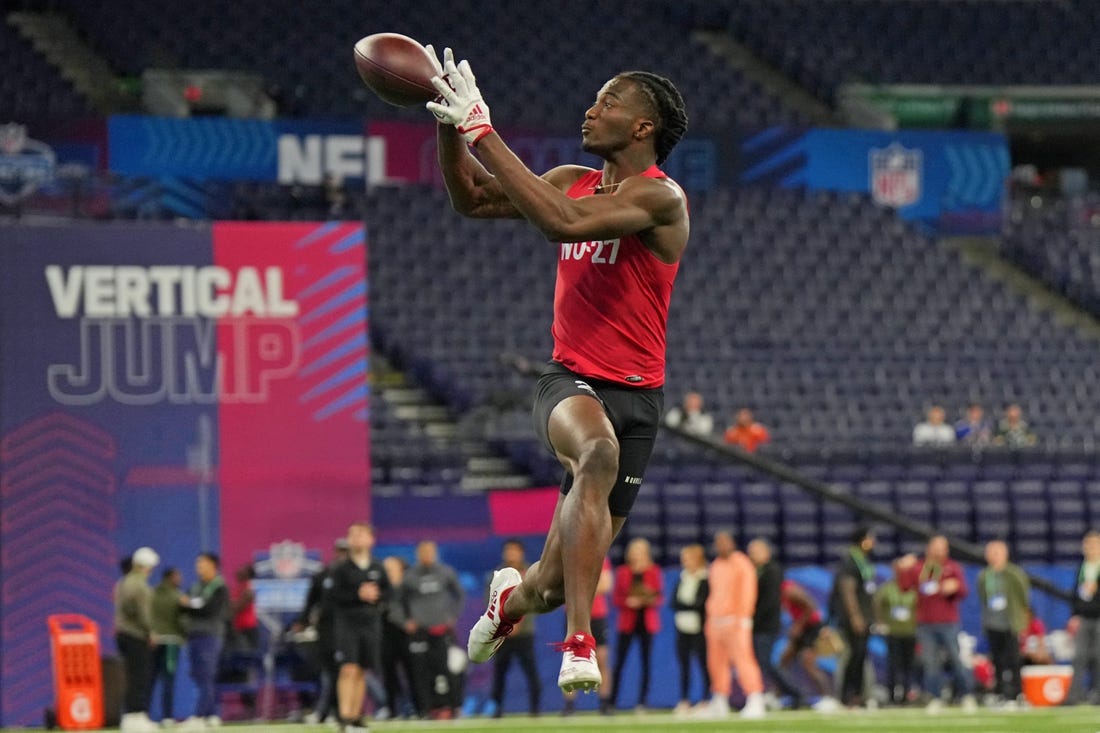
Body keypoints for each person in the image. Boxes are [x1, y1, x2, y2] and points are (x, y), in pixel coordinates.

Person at [426, 46, 690, 695]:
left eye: (608, 102)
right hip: (568, 382)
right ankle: (579, 639)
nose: (590, 110)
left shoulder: (660, 197)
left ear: (642, 128)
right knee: (595, 451)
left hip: (640, 399)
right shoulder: (573, 176)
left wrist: (481, 128)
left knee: (546, 582)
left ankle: (508, 602)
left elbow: (562, 222)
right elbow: (471, 200)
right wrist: (448, 126)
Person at [897, 536, 977, 712]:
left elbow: (964, 591)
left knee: (956, 660)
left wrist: (955, 586)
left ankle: (967, 695)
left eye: (942, 548)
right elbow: (903, 587)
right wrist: (901, 569)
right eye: (936, 547)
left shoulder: (952, 567)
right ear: (928, 548)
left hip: (949, 623)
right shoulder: (919, 567)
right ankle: (935, 697)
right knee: (930, 663)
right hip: (925, 624)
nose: (939, 551)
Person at [696, 531, 766, 720]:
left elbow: (747, 591)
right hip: (716, 622)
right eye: (718, 543)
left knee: (744, 660)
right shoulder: (716, 565)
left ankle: (755, 698)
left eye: (724, 542)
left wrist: (744, 616)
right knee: (716, 663)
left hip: (736, 621)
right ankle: (719, 699)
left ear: (732, 543)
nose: (721, 546)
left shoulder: (742, 563)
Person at [330, 523, 390, 733]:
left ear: (370, 539)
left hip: (371, 624)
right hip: (347, 623)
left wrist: (377, 598)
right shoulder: (341, 568)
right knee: (348, 668)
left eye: (360, 534)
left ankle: (356, 717)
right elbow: (333, 597)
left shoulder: (377, 567)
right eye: (352, 534)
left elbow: (388, 593)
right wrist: (358, 595)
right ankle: (344, 717)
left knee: (362, 670)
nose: (355, 538)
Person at [746, 539, 813, 710]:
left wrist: (753, 620)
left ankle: (794, 693)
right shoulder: (756, 571)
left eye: (755, 551)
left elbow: (769, 602)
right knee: (764, 662)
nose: (751, 555)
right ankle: (784, 693)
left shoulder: (772, 570)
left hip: (766, 624)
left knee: (766, 662)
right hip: (760, 624)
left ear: (766, 552)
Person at [401, 540, 465, 719]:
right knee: (420, 672)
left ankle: (453, 706)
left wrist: (452, 616)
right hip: (419, 631)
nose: (427, 555)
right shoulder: (410, 576)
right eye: (423, 552)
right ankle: (424, 709)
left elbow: (459, 595)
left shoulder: (446, 572)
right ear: (417, 555)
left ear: (435, 553)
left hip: (441, 630)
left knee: (447, 669)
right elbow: (398, 601)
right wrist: (406, 621)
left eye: (430, 552)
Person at [294, 538, 349, 724]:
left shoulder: (354, 575)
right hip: (326, 629)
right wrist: (303, 621)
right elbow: (311, 601)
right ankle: (329, 711)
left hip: (348, 628)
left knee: (345, 672)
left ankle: (334, 711)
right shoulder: (324, 575)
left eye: (346, 551)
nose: (342, 555)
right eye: (340, 551)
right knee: (329, 671)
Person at [610, 537, 663, 711]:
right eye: (634, 551)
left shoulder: (653, 571)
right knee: (619, 662)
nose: (637, 555)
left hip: (646, 623)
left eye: (640, 552)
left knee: (646, 663)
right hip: (627, 622)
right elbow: (616, 598)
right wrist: (628, 602)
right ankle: (611, 701)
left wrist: (647, 600)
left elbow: (659, 597)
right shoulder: (623, 572)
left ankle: (643, 701)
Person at [489, 540, 541, 717]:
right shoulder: (497, 575)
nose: (511, 554)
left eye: (515, 550)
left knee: (531, 672)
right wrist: (506, 624)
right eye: (508, 550)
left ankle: (535, 710)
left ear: (521, 553)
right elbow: (490, 604)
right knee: (499, 673)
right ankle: (496, 709)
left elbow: (535, 602)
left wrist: (518, 624)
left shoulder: (531, 574)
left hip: (524, 633)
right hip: (503, 634)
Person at [179, 552, 229, 729]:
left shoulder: (219, 587)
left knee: (207, 675)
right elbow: (182, 606)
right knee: (199, 676)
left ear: (213, 565)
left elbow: (210, 610)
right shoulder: (194, 587)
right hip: (193, 636)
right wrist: (192, 605)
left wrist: (190, 605)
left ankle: (199, 716)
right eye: (197, 563)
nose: (198, 567)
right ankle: (212, 714)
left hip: (210, 636)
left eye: (202, 563)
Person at [977, 540, 1030, 706]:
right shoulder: (985, 575)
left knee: (1014, 660)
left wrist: (1022, 623)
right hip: (993, 623)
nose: (994, 556)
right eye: (991, 552)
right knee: (997, 661)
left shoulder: (1014, 573)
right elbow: (983, 598)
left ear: (1005, 554)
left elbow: (1024, 598)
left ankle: (1018, 694)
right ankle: (1000, 693)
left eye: (997, 552)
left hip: (1010, 623)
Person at [829, 527, 877, 707]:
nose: (873, 542)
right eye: (870, 538)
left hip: (864, 617)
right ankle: (847, 695)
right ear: (862, 540)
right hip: (855, 619)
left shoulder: (863, 561)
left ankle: (857, 694)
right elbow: (847, 590)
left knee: (860, 656)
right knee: (853, 656)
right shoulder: (850, 562)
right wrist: (855, 616)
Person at [115, 546, 160, 733]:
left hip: (124, 634)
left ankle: (132, 716)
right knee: (139, 677)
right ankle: (135, 716)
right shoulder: (139, 584)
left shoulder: (123, 582)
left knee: (132, 676)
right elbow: (143, 613)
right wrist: (151, 632)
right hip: (135, 636)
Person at [562, 557, 614, 716]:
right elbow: (562, 588)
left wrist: (579, 589)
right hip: (574, 616)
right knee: (572, 661)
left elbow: (606, 585)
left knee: (601, 659)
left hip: (596, 615)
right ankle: (570, 705)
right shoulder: (568, 557)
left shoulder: (600, 558)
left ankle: (604, 703)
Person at [777, 577, 836, 702]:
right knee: (784, 660)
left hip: (812, 627)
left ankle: (828, 698)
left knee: (808, 663)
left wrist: (798, 626)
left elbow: (811, 606)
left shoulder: (789, 591)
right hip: (803, 628)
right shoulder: (781, 592)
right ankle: (777, 696)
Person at [670, 543, 710, 715]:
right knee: (684, 665)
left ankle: (705, 699)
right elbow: (673, 603)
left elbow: (701, 604)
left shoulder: (705, 578)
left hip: (700, 629)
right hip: (682, 627)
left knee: (703, 664)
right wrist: (688, 605)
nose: (684, 561)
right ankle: (684, 700)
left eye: (686, 558)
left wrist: (686, 605)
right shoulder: (683, 577)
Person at [873, 560, 918, 705]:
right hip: (893, 631)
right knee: (893, 664)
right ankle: (891, 695)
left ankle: (906, 694)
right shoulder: (887, 588)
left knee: (908, 665)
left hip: (910, 631)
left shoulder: (914, 588)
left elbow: (920, 606)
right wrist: (880, 622)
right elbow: (877, 604)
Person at [379, 555, 415, 719]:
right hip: (385, 634)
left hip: (407, 634)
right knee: (389, 673)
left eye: (391, 568)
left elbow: (418, 607)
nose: (387, 572)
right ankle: (392, 709)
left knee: (413, 671)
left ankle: (418, 707)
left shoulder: (409, 587)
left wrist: (411, 622)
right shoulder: (381, 589)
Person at [1067, 530, 1100, 704]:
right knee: (1079, 656)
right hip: (1084, 617)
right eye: (1088, 544)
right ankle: (1074, 695)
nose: (1091, 548)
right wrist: (1074, 615)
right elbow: (1075, 594)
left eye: (1095, 544)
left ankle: (1098, 694)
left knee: (1098, 656)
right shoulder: (1082, 567)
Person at [150, 567, 185, 723]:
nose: (180, 579)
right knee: (168, 680)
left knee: (150, 680)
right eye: (178, 576)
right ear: (171, 577)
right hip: (171, 643)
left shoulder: (152, 594)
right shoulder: (178, 597)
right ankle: (167, 716)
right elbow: (182, 620)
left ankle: (143, 715)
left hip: (154, 642)